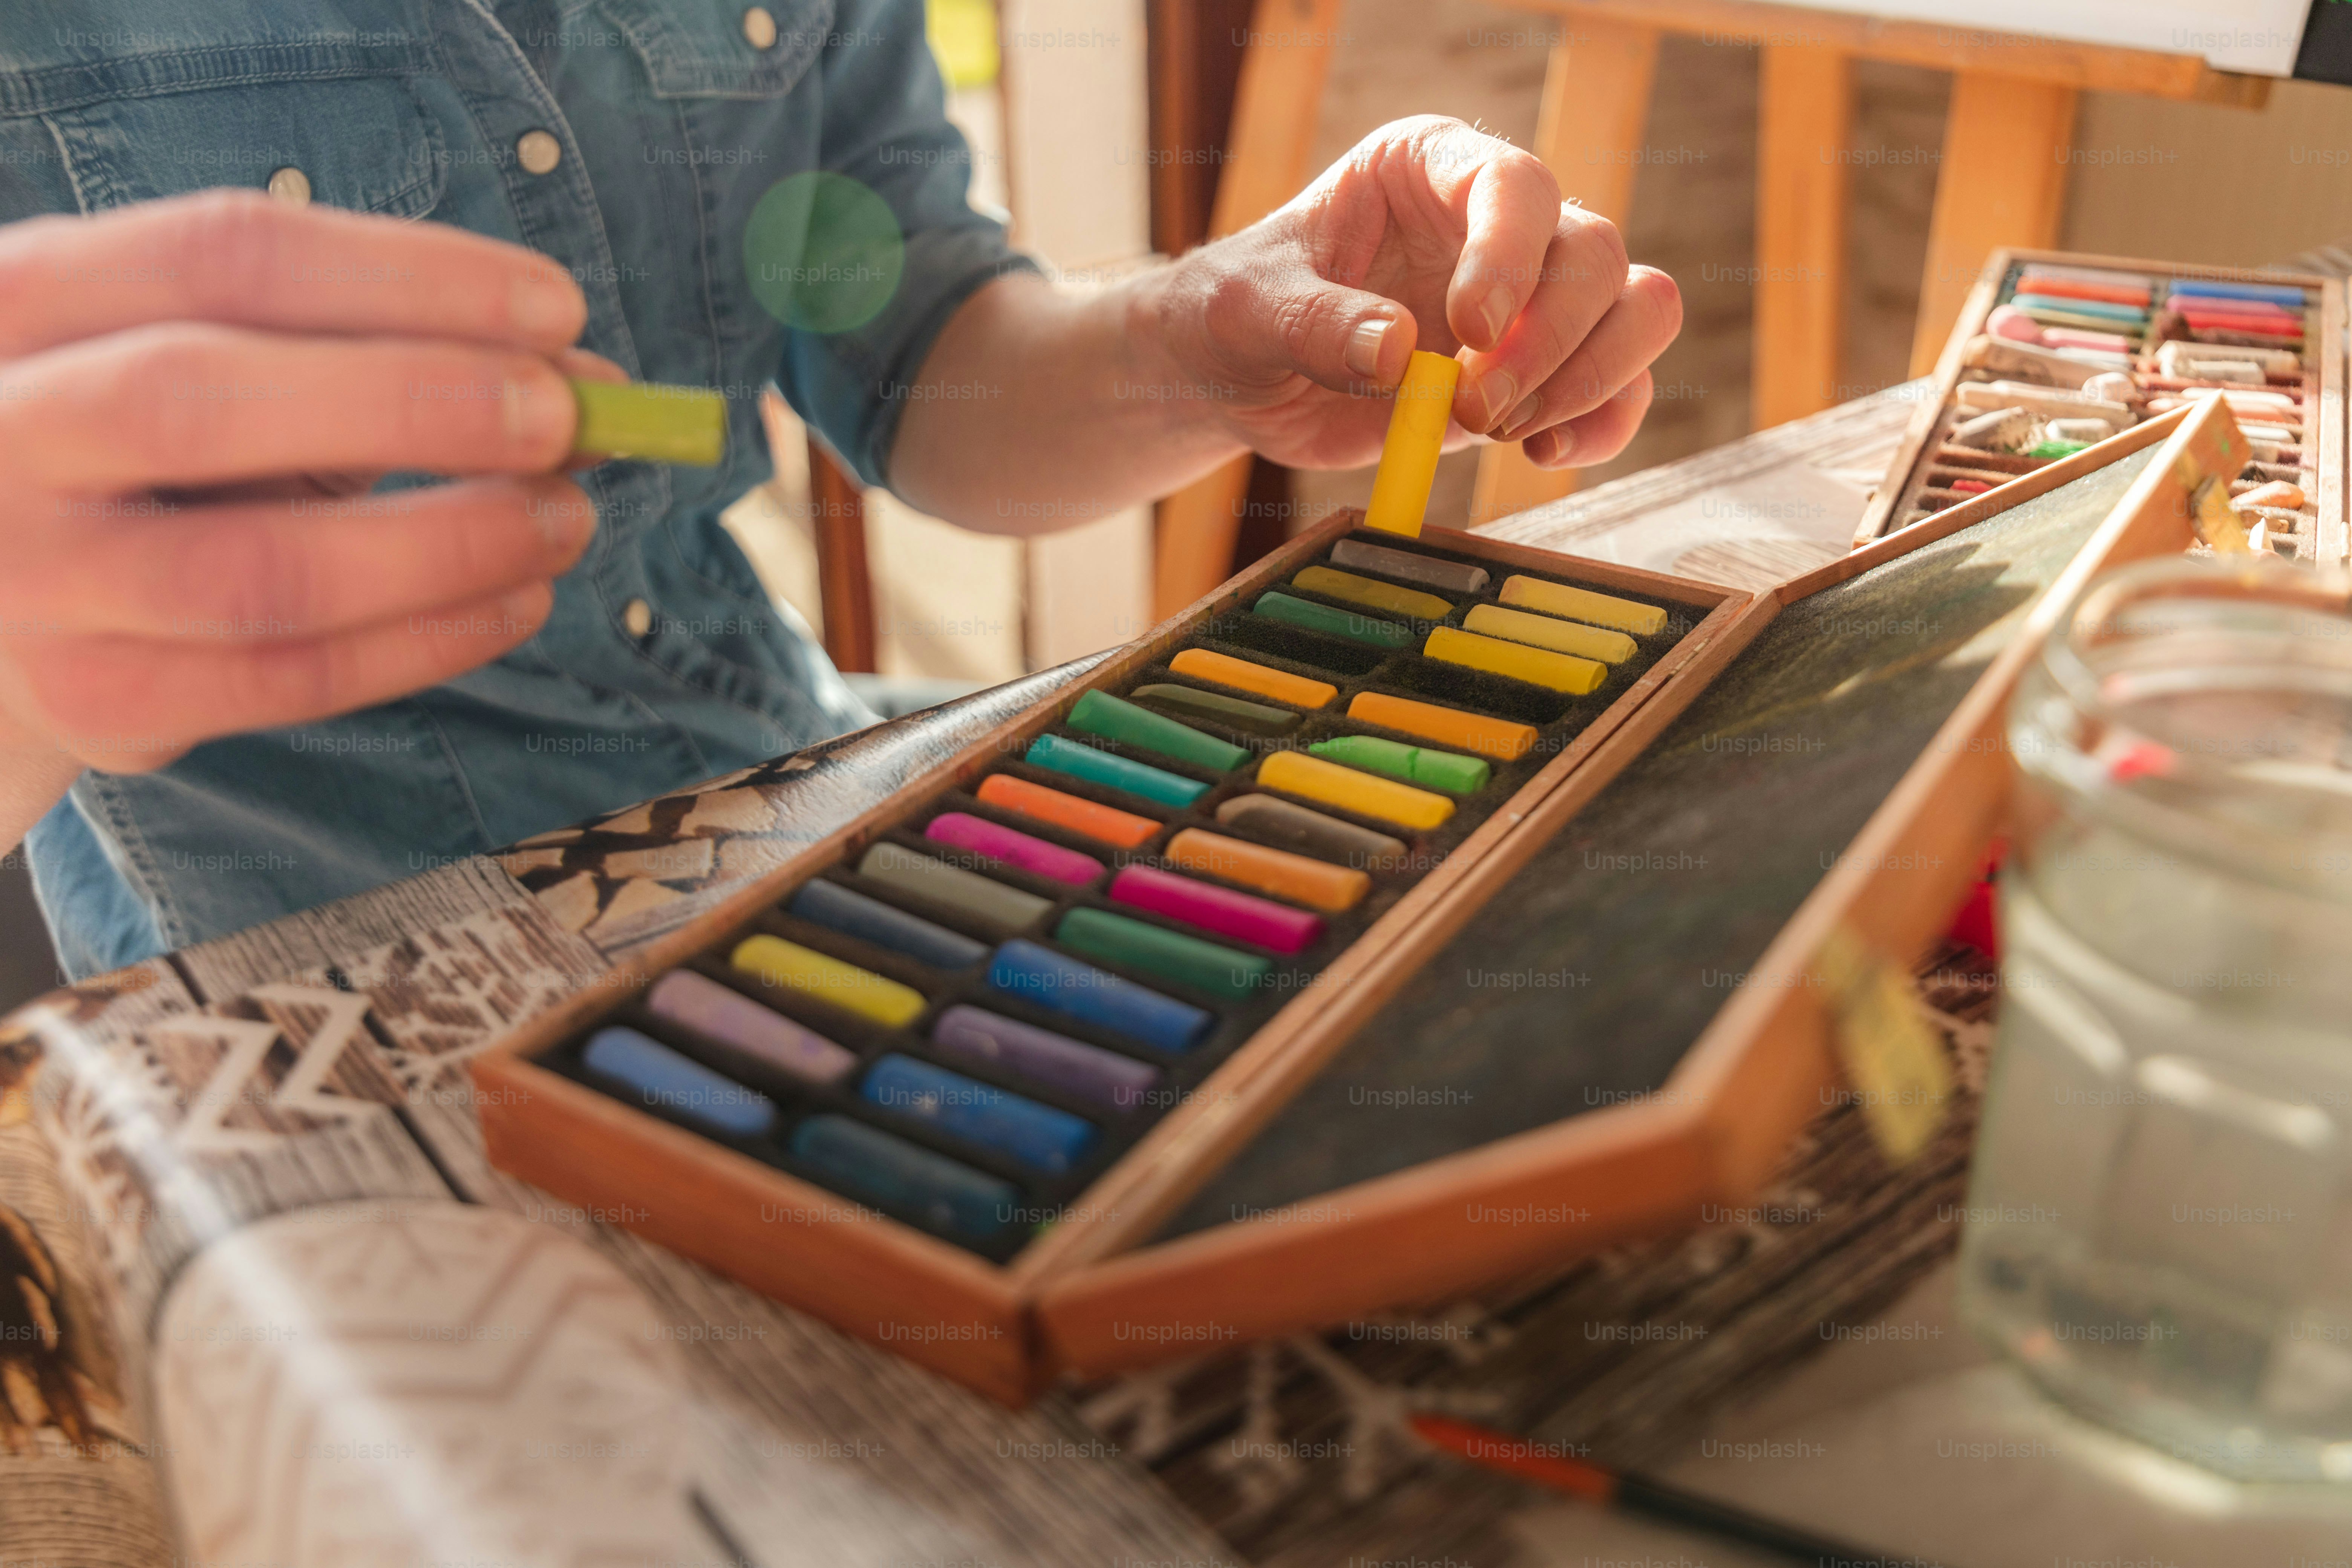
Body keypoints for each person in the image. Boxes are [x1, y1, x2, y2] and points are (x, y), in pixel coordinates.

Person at [0, 0, 1679, 978]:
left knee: (1526, 911)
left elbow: (915, 338)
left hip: (794, 794)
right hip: (312, 987)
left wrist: (1200, 334)